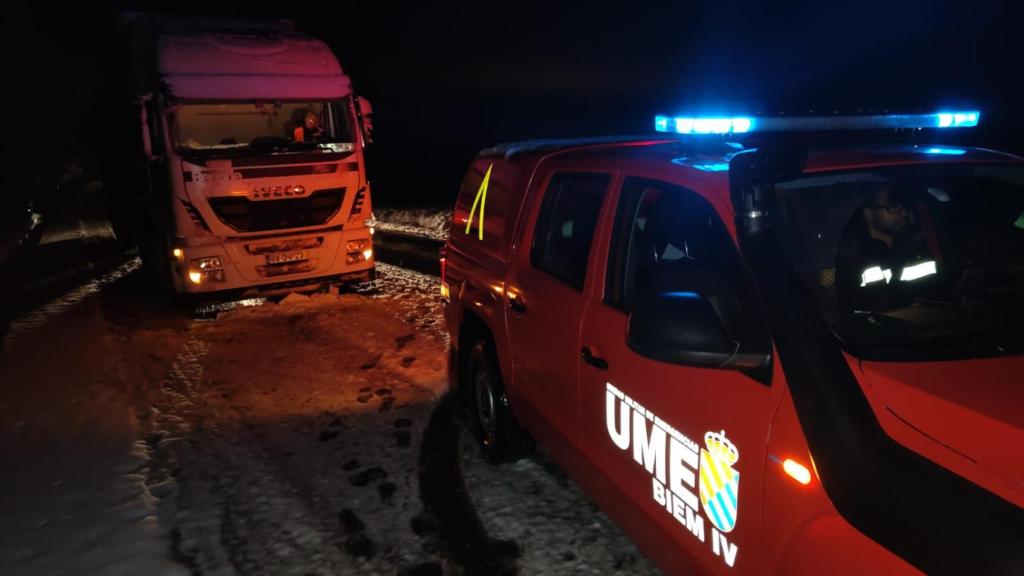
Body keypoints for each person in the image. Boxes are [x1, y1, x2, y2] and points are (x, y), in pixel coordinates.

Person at [835, 183, 928, 311]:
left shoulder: (916, 248)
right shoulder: (850, 254)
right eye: (893, 207)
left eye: (904, 206)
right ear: (869, 214)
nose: (903, 213)